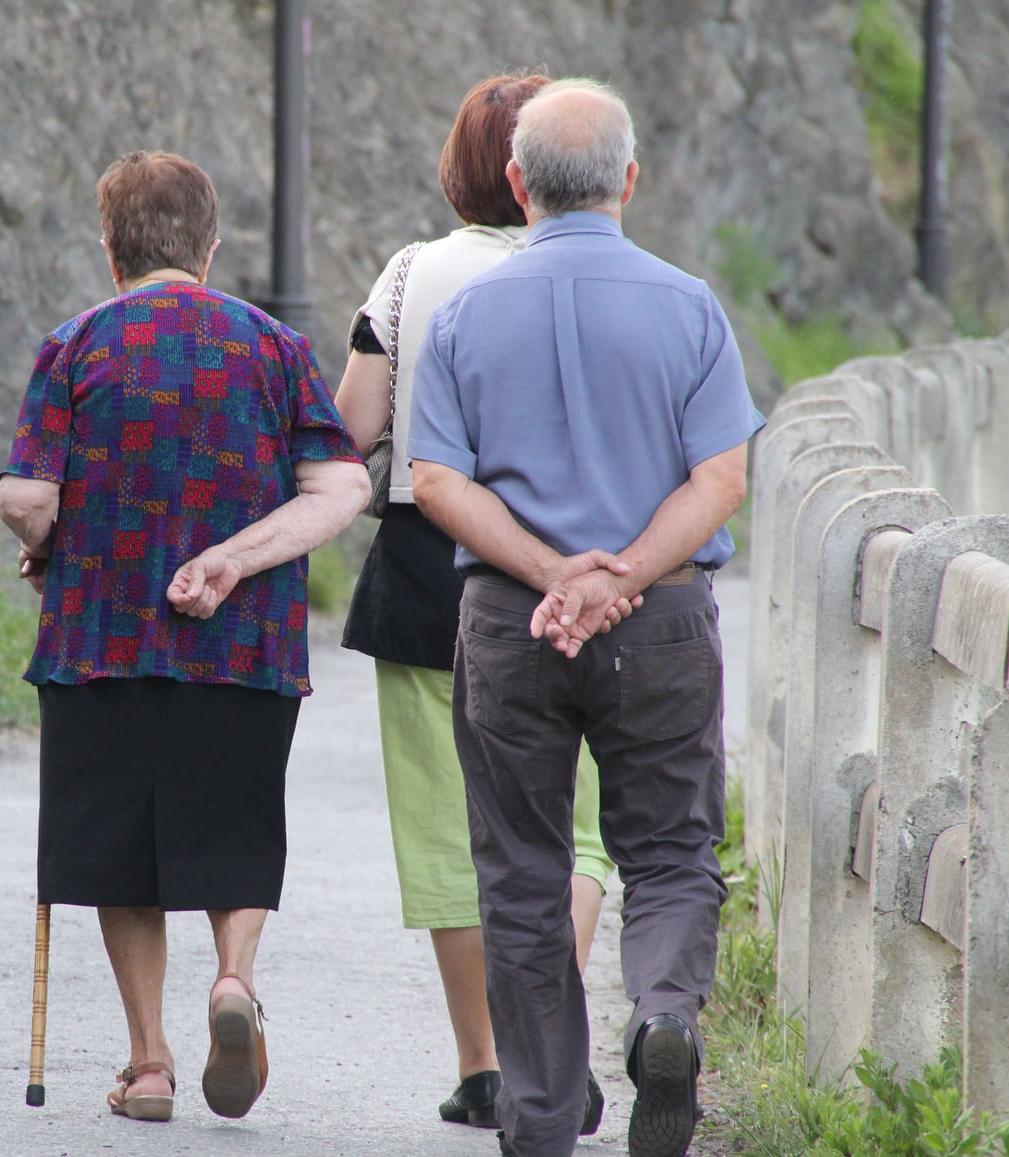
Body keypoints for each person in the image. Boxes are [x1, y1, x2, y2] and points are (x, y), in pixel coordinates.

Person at [409, 78, 766, 1157]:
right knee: (667, 848)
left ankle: (542, 1115)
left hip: (508, 626)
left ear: (516, 186)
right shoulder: (690, 304)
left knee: (520, 864)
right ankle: (662, 1010)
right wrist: (617, 577)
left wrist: (550, 571)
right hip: (656, 619)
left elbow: (433, 477)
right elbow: (720, 477)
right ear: (629, 179)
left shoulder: (468, 311)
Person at [0, 150, 369, 1125]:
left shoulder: (74, 343)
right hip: (245, 648)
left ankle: (149, 1061)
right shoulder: (274, 348)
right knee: (233, 828)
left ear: (111, 247)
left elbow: (28, 496)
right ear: (209, 248)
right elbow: (341, 485)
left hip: (102, 639)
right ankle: (234, 981)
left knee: (123, 850)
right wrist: (238, 559)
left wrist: (52, 545)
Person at [331, 71, 619, 1136]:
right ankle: (559, 1043)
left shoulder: (410, 276)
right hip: (580, 573)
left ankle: (486, 1065)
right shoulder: (604, 274)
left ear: (473, 165)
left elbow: (352, 430)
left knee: (451, 830)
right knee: (576, 825)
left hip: (424, 568)